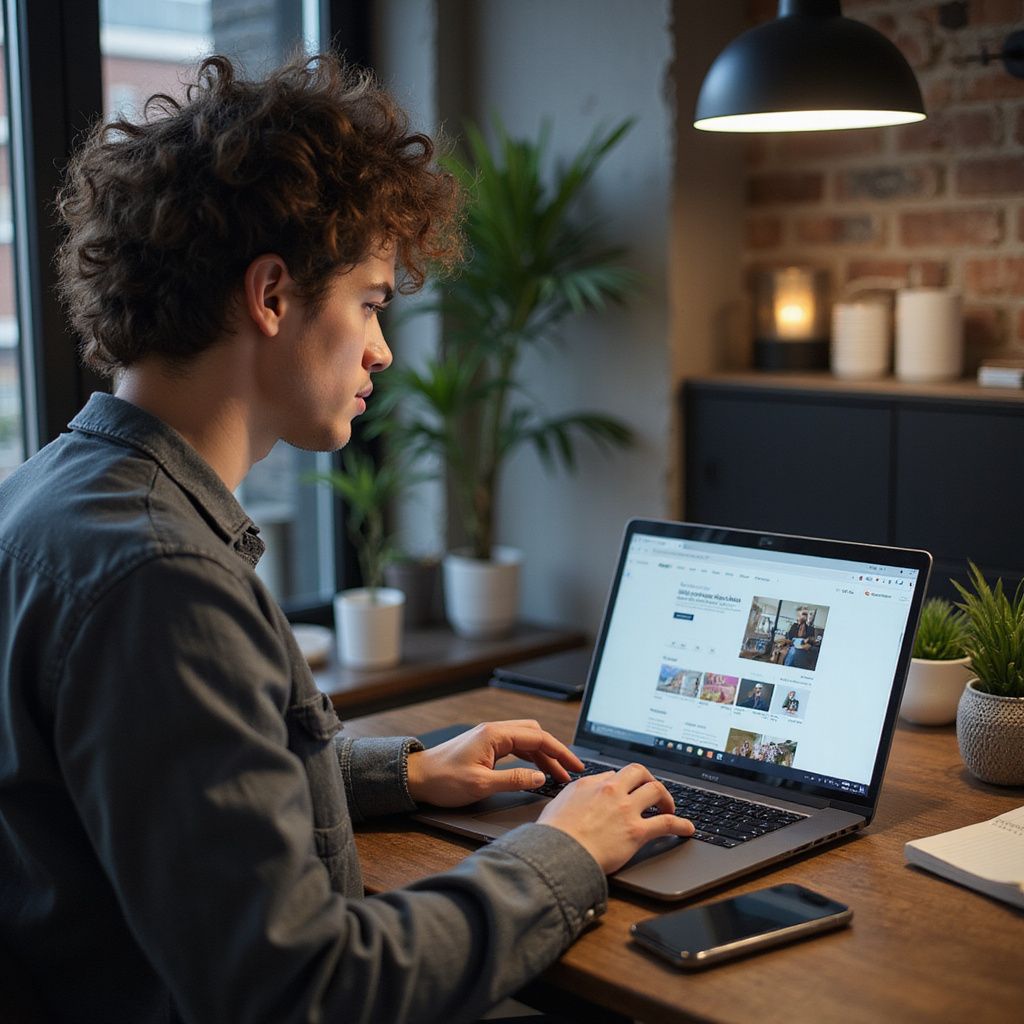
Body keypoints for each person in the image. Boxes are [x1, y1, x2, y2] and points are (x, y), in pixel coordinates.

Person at [0, 54, 694, 1023]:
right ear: (273, 295)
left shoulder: (51, 495)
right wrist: (562, 852)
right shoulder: (160, 578)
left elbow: (162, 801)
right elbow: (304, 988)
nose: (381, 348)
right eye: (369, 301)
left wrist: (403, 770)